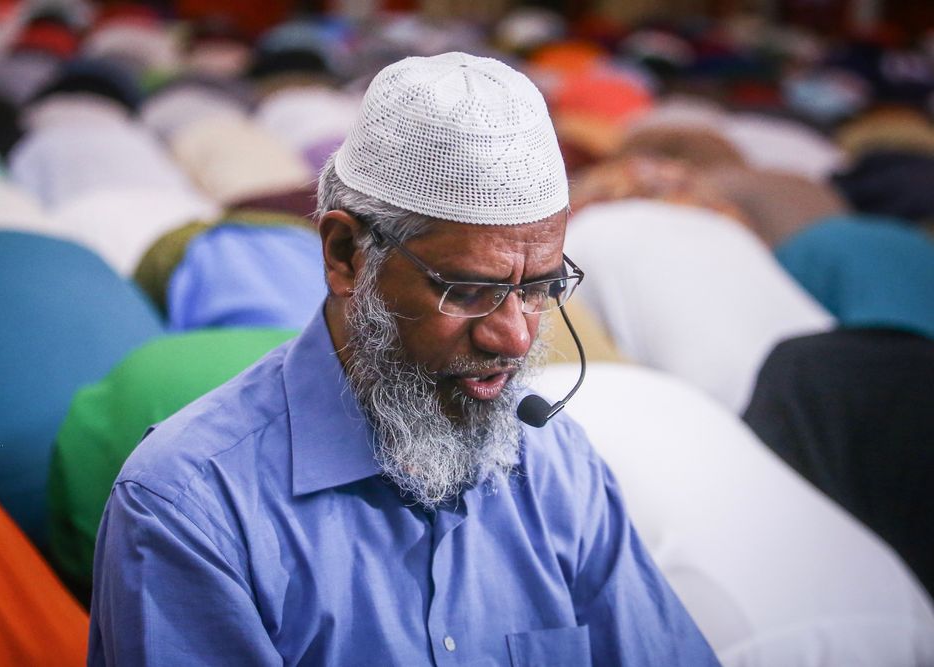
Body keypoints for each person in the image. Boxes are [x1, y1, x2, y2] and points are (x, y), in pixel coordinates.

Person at [89, 52, 718, 666]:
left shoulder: (557, 466)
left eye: (537, 288)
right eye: (467, 290)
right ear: (345, 255)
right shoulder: (192, 506)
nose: (516, 339)